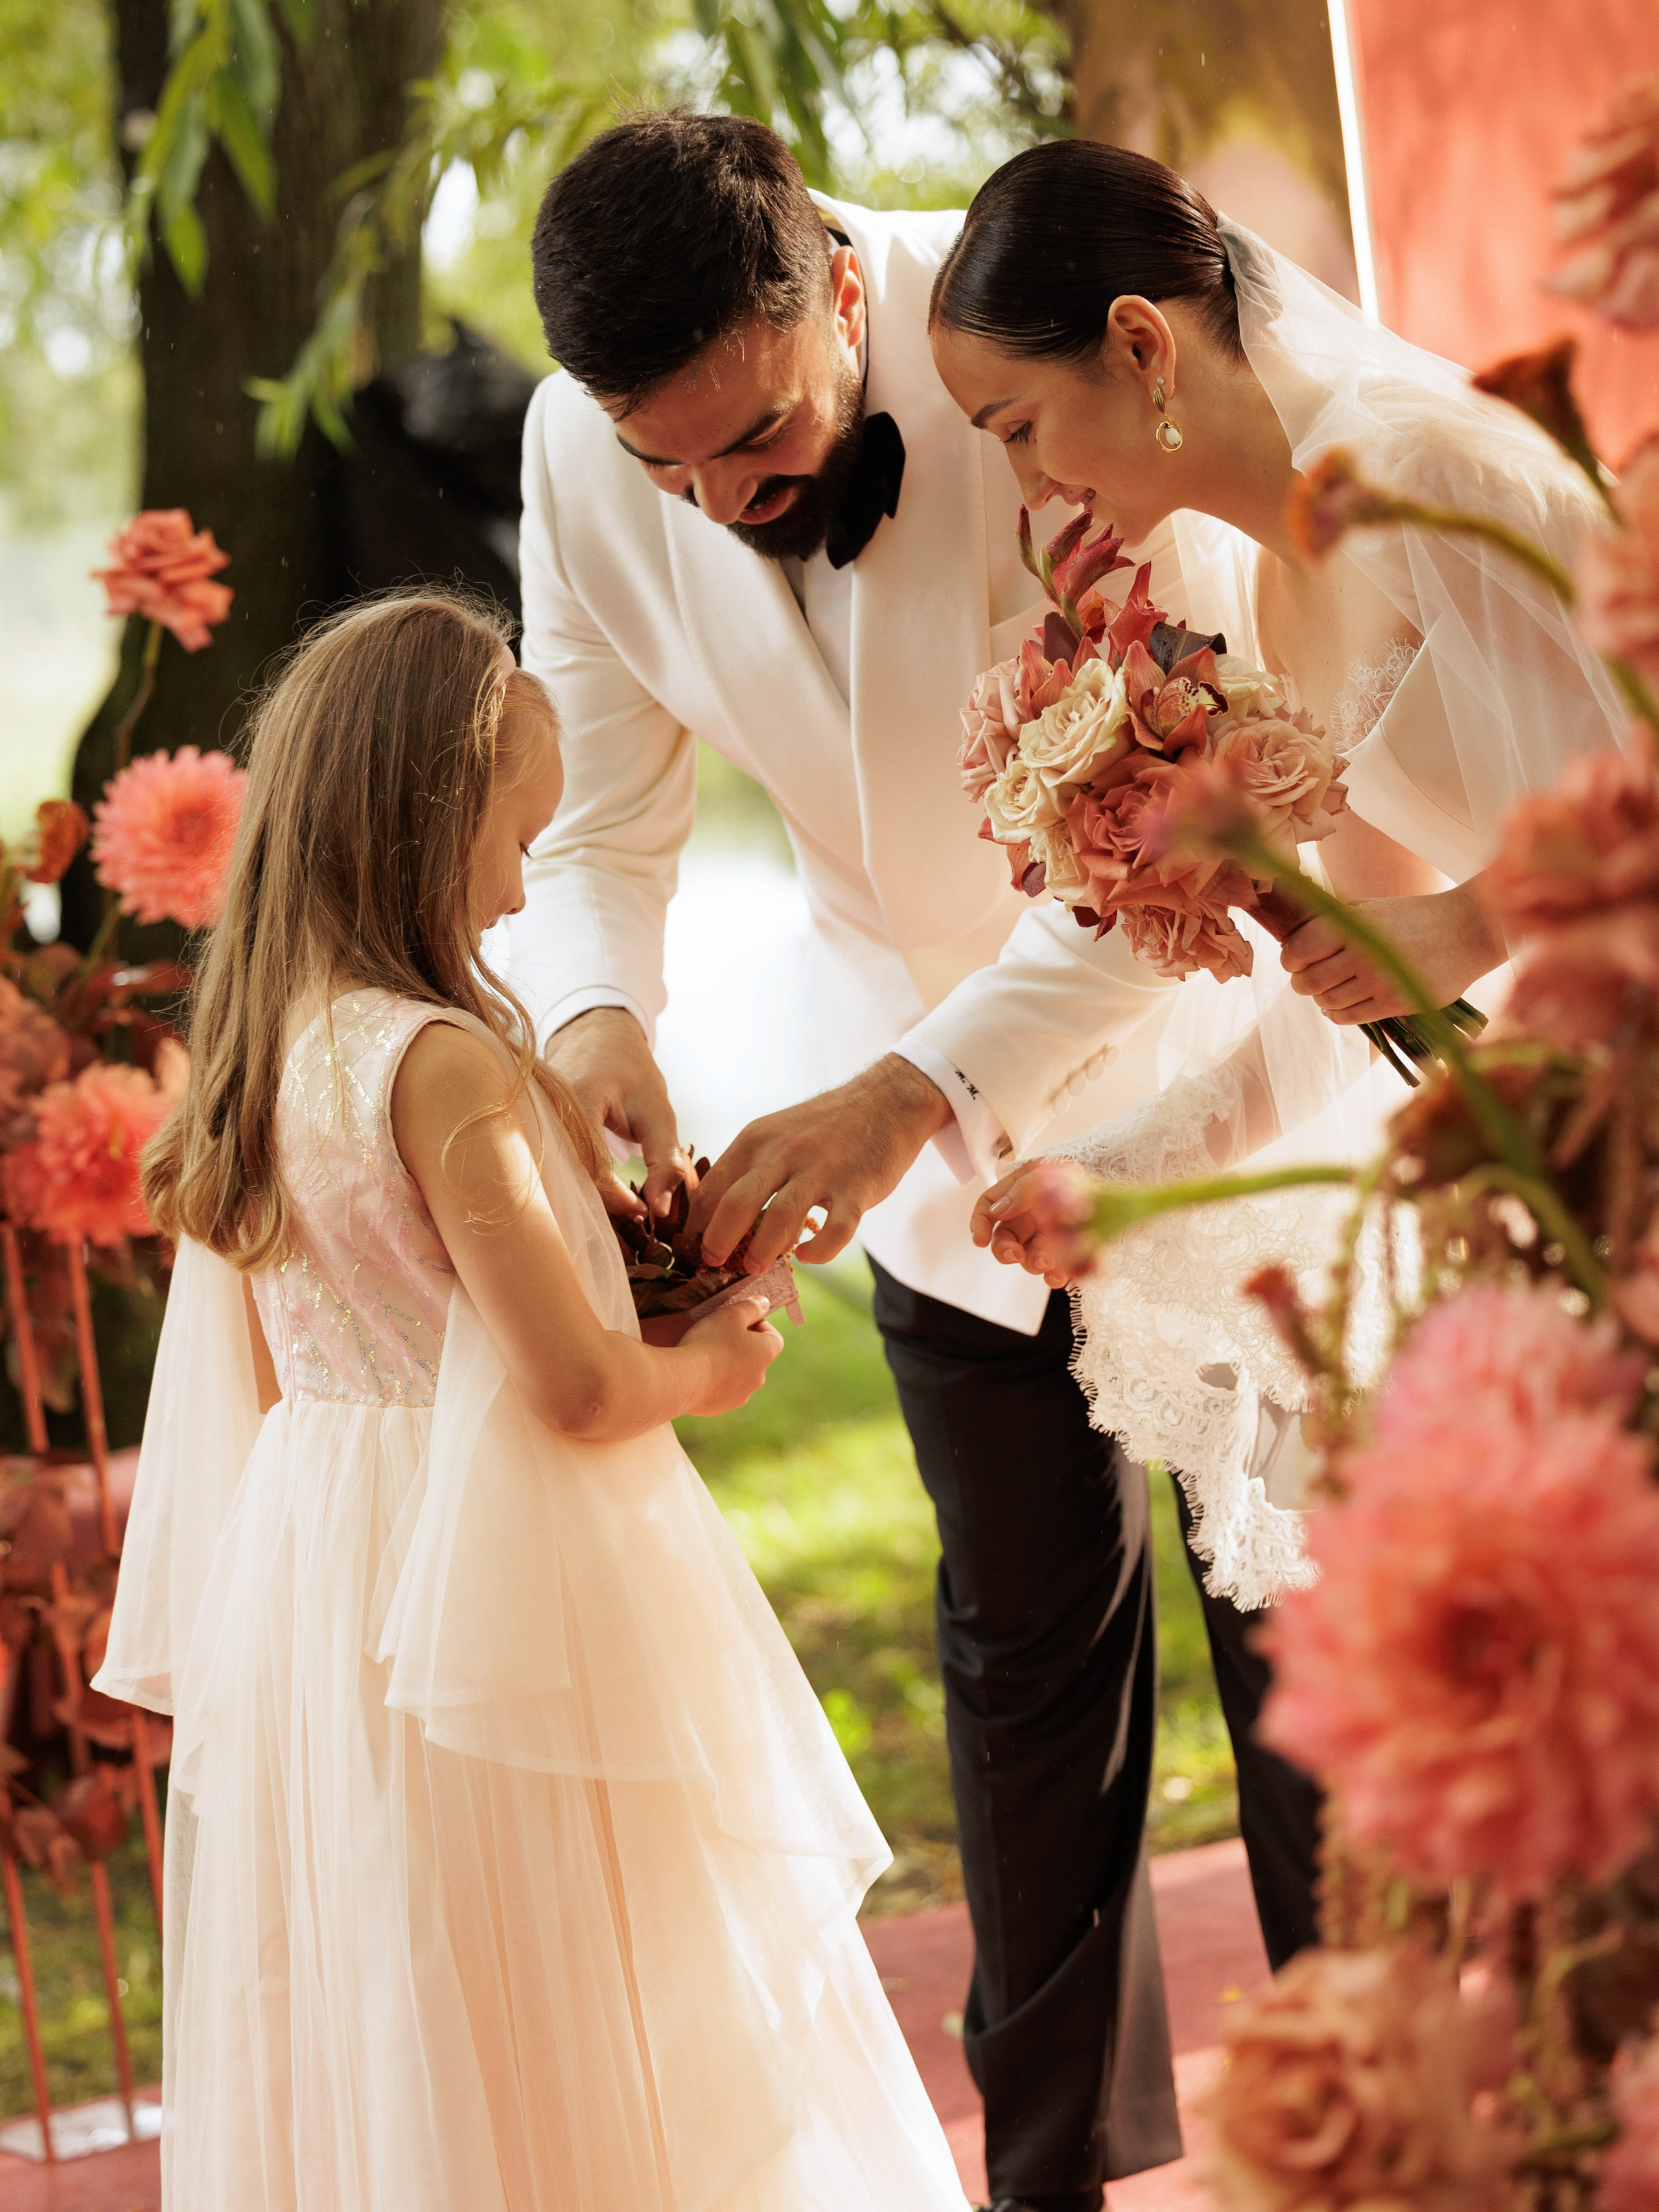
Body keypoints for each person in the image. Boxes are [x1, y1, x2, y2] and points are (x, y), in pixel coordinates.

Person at [512, 108, 1327, 2212]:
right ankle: (1046, 2178)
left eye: (753, 438)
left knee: (1302, 1658)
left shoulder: (1037, 353)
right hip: (916, 1157)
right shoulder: (578, 458)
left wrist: (908, 1097)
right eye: (663, 467)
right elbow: (600, 828)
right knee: (1025, 1691)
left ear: (843, 292)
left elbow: (1174, 819)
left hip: (1190, 1064)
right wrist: (600, 1028)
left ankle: (1369, 2138)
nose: (715, 502)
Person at [93, 589, 969, 2212]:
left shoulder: (270, 1049)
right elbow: (569, 1391)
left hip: (326, 1574)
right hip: (488, 1576)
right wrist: (720, 1357)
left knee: (395, 1965)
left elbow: (349, 1335)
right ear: (427, 823)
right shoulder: (443, 1066)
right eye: (514, 843)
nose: (516, 892)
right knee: (593, 1968)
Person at [926, 141, 1625, 1596]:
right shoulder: (1256, 588)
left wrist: (1473, 920)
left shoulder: (1432, 465)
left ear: (1137, 344)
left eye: (1016, 426)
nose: (1028, 488)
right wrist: (1118, 1173)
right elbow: (1361, 981)